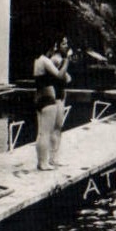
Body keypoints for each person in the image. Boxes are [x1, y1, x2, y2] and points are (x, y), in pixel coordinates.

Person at [32, 43, 69, 172]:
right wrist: (66, 62)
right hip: (47, 97)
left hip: (39, 95)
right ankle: (43, 163)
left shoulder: (37, 61)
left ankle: (42, 162)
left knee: (42, 133)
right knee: (45, 133)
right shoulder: (45, 60)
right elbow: (60, 76)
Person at [49, 38, 74, 168]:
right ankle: (53, 158)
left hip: (59, 94)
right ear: (57, 45)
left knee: (57, 128)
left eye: (66, 43)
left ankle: (54, 157)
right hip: (55, 96)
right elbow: (63, 77)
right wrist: (67, 61)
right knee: (56, 128)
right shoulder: (56, 59)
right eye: (63, 43)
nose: (66, 45)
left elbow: (67, 78)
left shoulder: (60, 59)